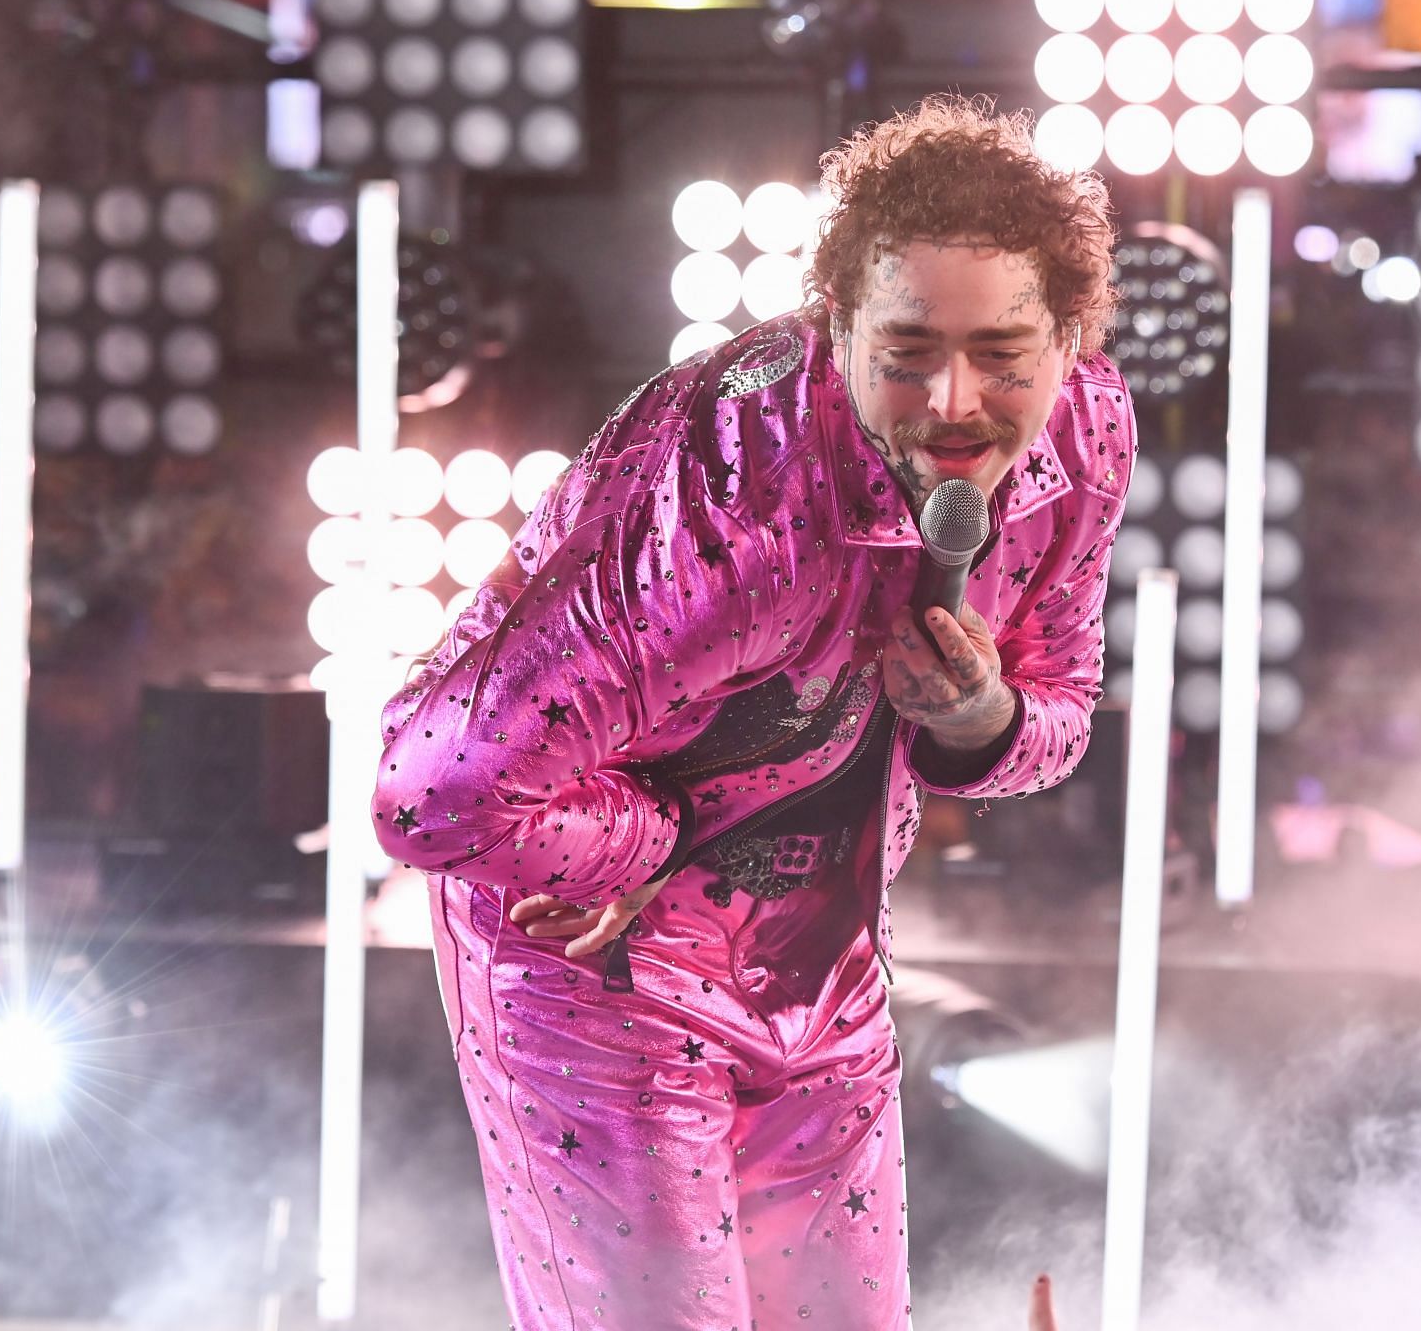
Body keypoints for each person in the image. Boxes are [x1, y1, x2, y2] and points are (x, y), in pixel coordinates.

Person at [372, 94, 1132, 1331]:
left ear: (1071, 337)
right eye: (904, 352)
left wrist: (979, 716)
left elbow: (1057, 715)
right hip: (595, 972)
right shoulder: (728, 504)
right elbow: (429, 785)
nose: (956, 402)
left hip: (823, 971)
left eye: (1005, 354)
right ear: (833, 329)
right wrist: (645, 838)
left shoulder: (1081, 445)